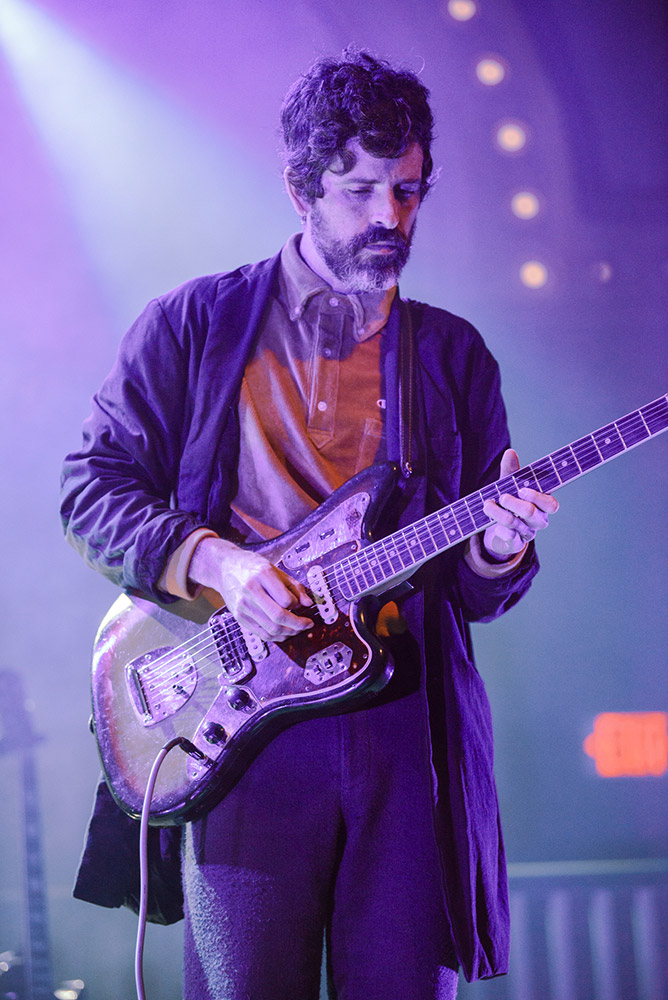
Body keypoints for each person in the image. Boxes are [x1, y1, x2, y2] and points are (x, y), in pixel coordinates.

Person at [61, 48, 558, 1000]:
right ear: (300, 186)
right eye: (362, 189)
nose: (390, 218)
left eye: (409, 191)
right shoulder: (192, 327)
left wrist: (499, 547)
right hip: (244, 727)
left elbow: (475, 588)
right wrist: (217, 564)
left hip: (403, 733)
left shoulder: (453, 356)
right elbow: (91, 487)